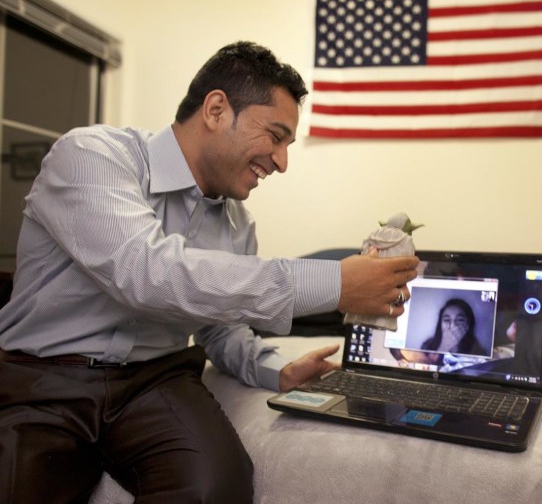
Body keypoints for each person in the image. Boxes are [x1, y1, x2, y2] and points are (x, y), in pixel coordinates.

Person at [0, 41, 418, 503]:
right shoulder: (92, 156)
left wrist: (277, 369)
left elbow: (220, 332)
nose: (282, 162)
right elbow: (146, 273)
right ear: (217, 109)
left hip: (152, 381)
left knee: (217, 487)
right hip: (44, 379)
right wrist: (336, 283)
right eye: (275, 136)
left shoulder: (238, 225)